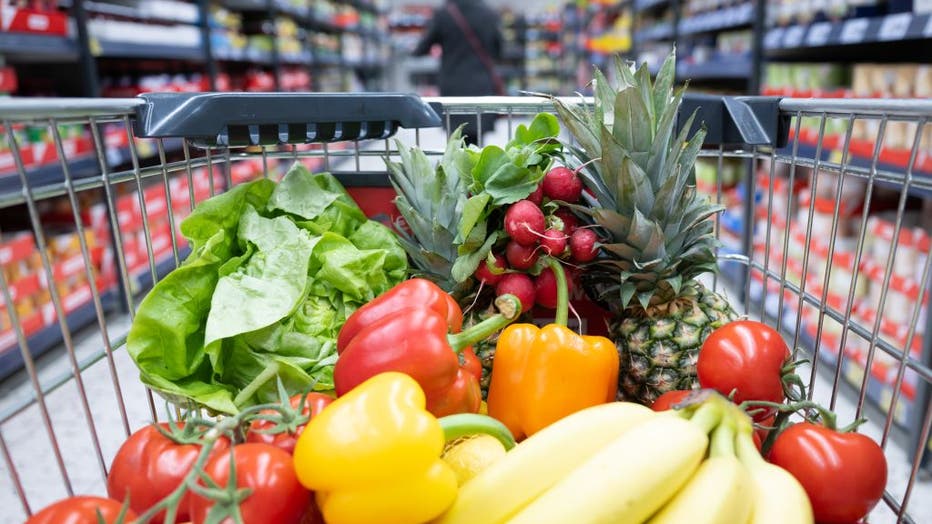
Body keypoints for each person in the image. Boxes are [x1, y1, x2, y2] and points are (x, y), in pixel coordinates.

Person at [413, 0, 505, 145]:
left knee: (456, 137)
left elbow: (422, 48)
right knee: (478, 138)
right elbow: (499, 50)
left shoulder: (444, 14)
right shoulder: (489, 14)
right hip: (481, 83)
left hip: (453, 84)